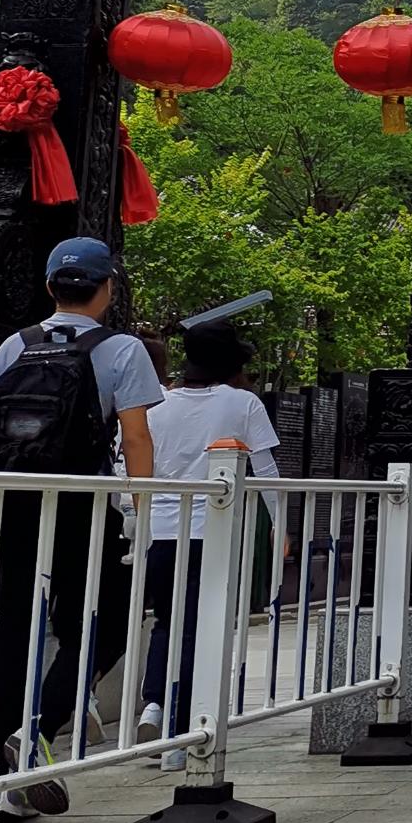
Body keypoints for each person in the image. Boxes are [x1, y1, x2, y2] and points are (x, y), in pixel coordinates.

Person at [0, 238, 162, 823]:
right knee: (107, 620)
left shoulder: (14, 345)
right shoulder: (122, 348)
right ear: (107, 289)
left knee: (15, 626)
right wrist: (142, 509)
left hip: (15, 504)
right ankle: (36, 734)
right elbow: (135, 436)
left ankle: (7, 782)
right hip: (83, 504)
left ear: (50, 286)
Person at [136, 322, 281, 772]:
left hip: (161, 530)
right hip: (212, 530)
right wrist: (280, 525)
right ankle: (181, 735)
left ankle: (154, 704)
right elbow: (266, 469)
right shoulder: (242, 403)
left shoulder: (156, 405)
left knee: (167, 621)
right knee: (199, 629)